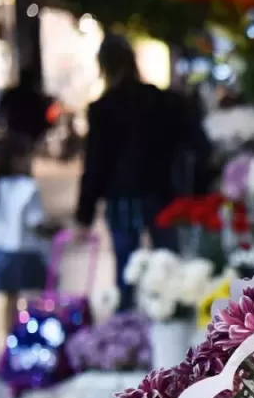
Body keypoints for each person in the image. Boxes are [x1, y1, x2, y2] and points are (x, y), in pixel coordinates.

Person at [75, 34, 180, 311]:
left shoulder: (102, 108)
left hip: (122, 196)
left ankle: (128, 333)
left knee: (126, 268)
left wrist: (84, 211)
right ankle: (170, 323)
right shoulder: (159, 100)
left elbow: (96, 161)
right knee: (168, 265)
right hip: (160, 192)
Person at [0, 135, 47, 331]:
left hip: (2, 254)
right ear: (16, 159)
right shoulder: (29, 188)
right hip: (27, 254)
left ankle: (10, 339)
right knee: (33, 302)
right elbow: (36, 223)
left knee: (10, 302)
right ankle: (27, 339)